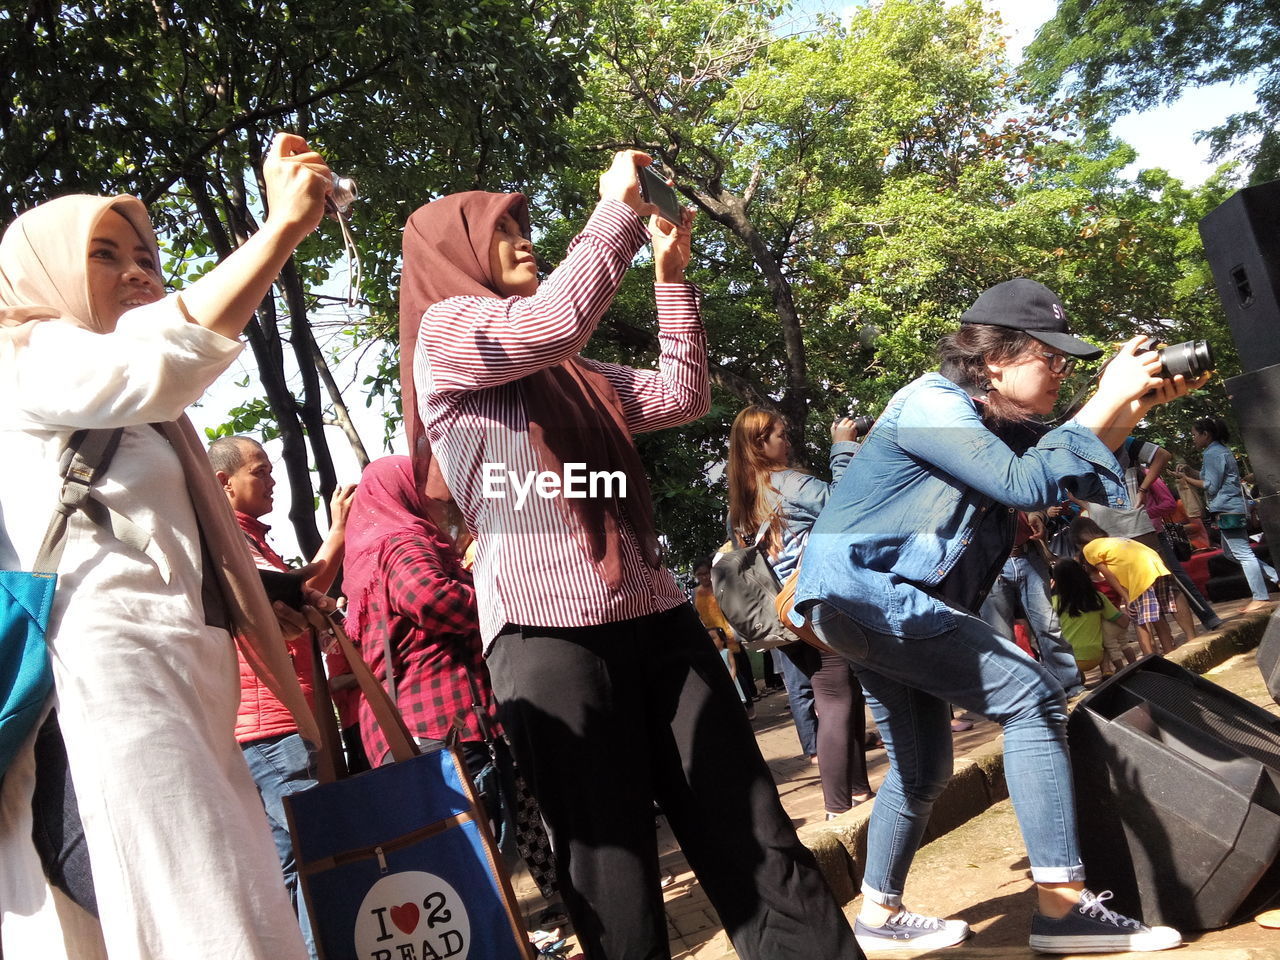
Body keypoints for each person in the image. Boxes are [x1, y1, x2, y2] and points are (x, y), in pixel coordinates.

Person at [400, 151, 859, 960]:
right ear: (454, 253)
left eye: (523, 225)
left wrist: (671, 278)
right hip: (548, 642)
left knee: (754, 833)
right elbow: (551, 323)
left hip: (654, 618)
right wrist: (614, 210)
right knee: (613, 884)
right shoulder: (446, 337)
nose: (523, 239)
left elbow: (684, 396)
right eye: (501, 230)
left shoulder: (575, 376)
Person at [793, 278, 1202, 954]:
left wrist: (1130, 404)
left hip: (859, 603)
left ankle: (880, 913)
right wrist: (1104, 399)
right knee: (1033, 697)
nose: (1061, 374)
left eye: (1070, 365)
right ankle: (1064, 908)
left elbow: (1061, 463)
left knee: (923, 770)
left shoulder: (991, 419)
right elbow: (1024, 484)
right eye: (1053, 359)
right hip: (868, 594)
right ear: (994, 360)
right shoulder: (927, 403)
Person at [0, 133, 332, 959]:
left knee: (226, 906)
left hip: (184, 677)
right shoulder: (28, 354)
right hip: (105, 689)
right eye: (104, 255)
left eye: (145, 253)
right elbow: (167, 359)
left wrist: (267, 598)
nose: (137, 270)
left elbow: (162, 529)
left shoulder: (132, 407)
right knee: (202, 919)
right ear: (43, 275)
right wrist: (280, 230)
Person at [209, 434, 357, 960]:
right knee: (311, 860)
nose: (271, 481)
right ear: (224, 485)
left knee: (293, 866)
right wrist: (339, 528)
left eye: (273, 471)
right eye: (261, 472)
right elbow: (303, 586)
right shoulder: (230, 546)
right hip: (270, 727)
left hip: (269, 727)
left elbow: (300, 589)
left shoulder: (245, 542)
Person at [726, 405, 872, 819]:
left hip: (782, 614)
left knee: (842, 692)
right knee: (836, 698)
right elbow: (847, 509)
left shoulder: (741, 499)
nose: (786, 441)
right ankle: (837, 807)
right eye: (780, 434)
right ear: (760, 444)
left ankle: (858, 790)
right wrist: (843, 450)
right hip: (815, 605)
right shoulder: (789, 483)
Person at [1179, 416, 1278, 614]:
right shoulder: (1219, 451)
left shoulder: (1212, 454)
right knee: (1231, 552)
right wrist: (1191, 472)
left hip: (1227, 508)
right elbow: (1212, 478)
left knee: (1242, 553)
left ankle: (1260, 596)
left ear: (1206, 434)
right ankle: (1275, 577)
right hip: (1231, 506)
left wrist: (1186, 479)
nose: (1193, 439)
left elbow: (1210, 486)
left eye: (1194, 435)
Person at [980, 511, 1084, 697]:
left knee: (1049, 626)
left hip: (1029, 555)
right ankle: (1016, 698)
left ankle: (1070, 686)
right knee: (1000, 636)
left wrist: (1038, 516)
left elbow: (1039, 504)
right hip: (988, 562)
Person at [1070, 516, 1192, 655]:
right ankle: (1176, 647)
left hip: (1139, 574)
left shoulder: (1089, 549)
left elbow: (1108, 575)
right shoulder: (1112, 540)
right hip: (1155, 563)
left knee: (1139, 619)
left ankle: (1149, 657)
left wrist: (1127, 598)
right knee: (1160, 611)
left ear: (1077, 540)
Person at [692, 556, 755, 716]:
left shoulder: (720, 587)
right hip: (713, 639)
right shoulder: (695, 593)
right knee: (723, 674)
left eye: (706, 573)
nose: (704, 577)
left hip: (729, 635)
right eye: (700, 574)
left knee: (737, 672)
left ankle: (749, 706)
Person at [1050, 558, 1132, 676]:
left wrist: (1048, 592)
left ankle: (1078, 678)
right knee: (1104, 624)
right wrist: (1128, 613)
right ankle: (1106, 668)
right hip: (1095, 657)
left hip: (1069, 661)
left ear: (1056, 580)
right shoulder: (1097, 597)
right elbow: (1123, 622)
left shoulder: (1053, 602)